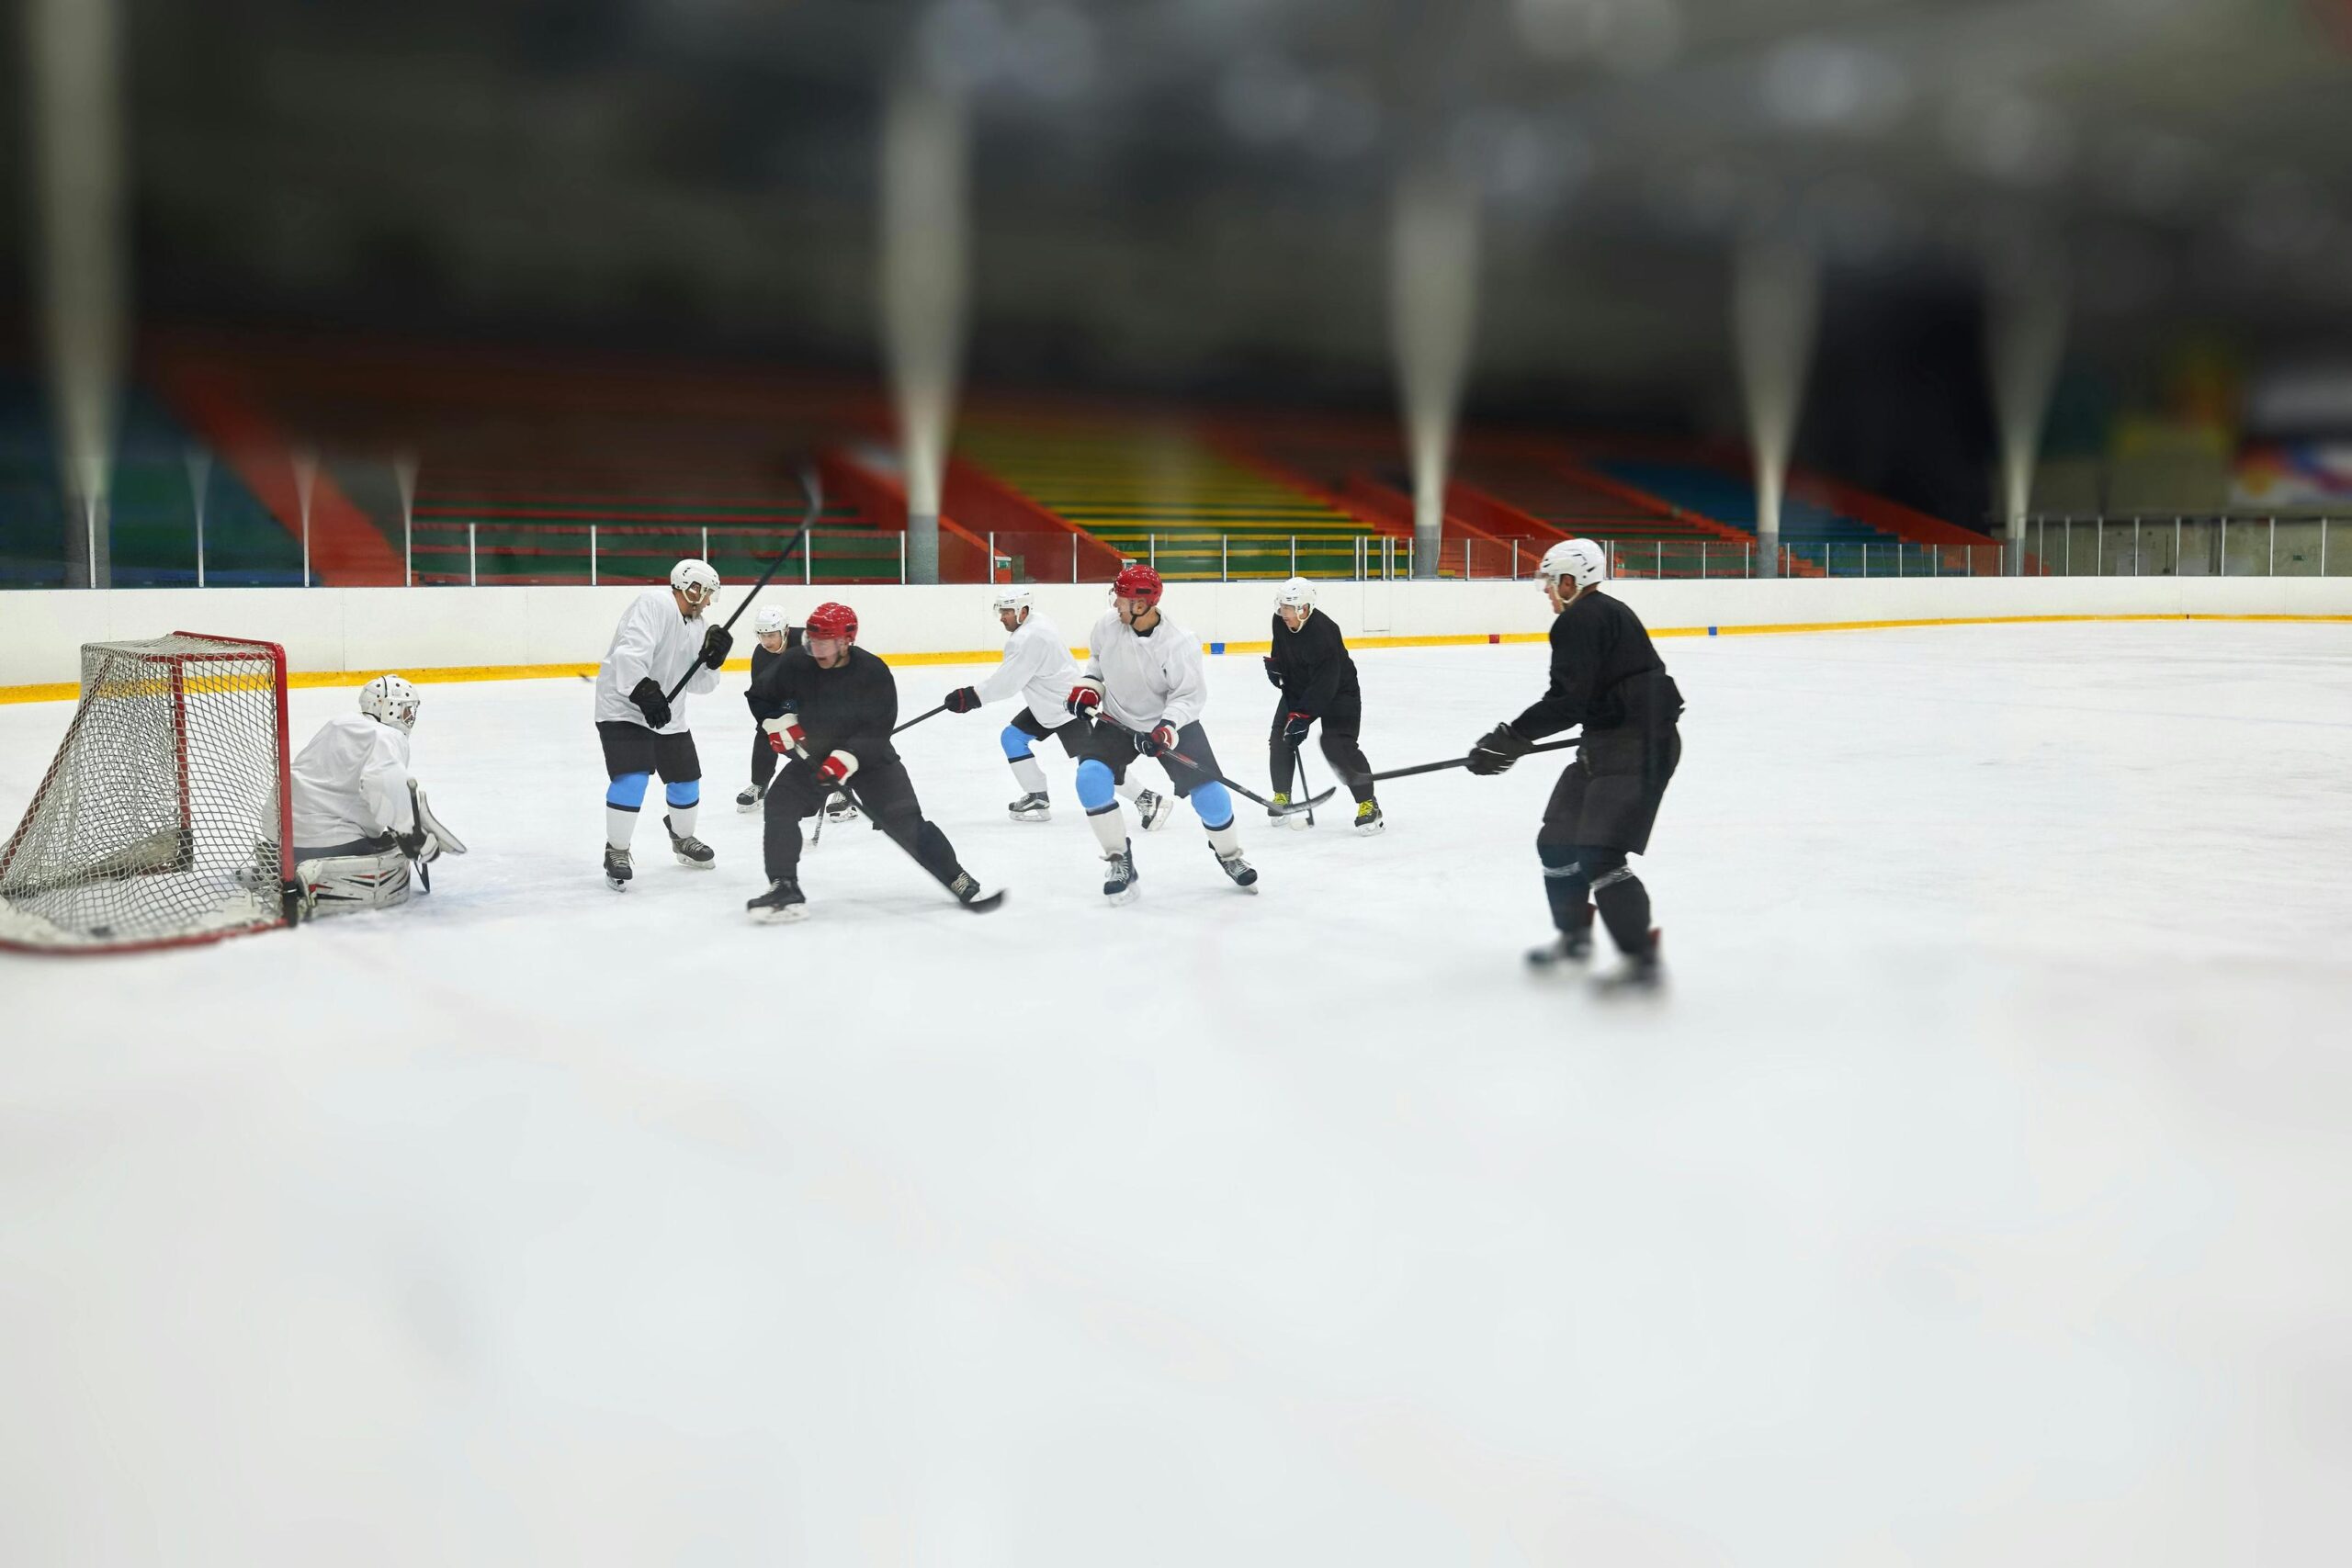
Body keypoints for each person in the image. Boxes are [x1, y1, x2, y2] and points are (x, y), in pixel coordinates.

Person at [1464, 538, 1682, 990]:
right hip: (1611, 742)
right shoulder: (1605, 611)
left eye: (1549, 582)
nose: (1545, 591)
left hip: (1637, 747)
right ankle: (1575, 939)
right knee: (1557, 841)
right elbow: (1592, 701)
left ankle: (1641, 962)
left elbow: (1568, 702)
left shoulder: (1580, 619)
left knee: (1600, 853)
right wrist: (1515, 739)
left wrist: (1509, 738)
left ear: (1570, 581)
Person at [744, 600, 994, 921]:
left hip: (869, 757)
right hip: (815, 754)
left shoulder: (872, 671)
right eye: (812, 640)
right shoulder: (795, 662)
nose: (816, 649)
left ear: (846, 641)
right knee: (780, 804)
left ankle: (956, 877)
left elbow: (879, 727)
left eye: (825, 642)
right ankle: (784, 885)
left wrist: (848, 758)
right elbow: (760, 695)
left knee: (904, 822)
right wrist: (776, 720)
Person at [1066, 563, 1256, 902]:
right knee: (1090, 778)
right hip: (1117, 719)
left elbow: (1188, 696)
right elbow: (1096, 663)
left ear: (1141, 605)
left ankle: (1230, 856)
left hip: (1171, 724)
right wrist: (1089, 688)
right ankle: (1118, 860)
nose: (1115, 605)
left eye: (1122, 600)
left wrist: (1165, 729)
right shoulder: (1106, 626)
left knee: (1211, 796)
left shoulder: (1178, 642)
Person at [942, 584, 1170, 828]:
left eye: (1007, 611)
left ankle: (1147, 798)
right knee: (1012, 737)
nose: (1002, 617)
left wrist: (972, 697)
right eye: (1001, 611)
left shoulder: (1028, 638)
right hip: (1046, 706)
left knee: (1096, 764)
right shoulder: (1036, 622)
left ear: (1023, 611)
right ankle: (1037, 796)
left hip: (1069, 710)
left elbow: (1007, 683)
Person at [593, 558, 729, 889]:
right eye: (707, 592)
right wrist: (641, 690)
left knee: (686, 780)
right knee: (634, 777)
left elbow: (700, 686)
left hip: (668, 716)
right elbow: (629, 654)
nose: (709, 600)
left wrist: (711, 663)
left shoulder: (698, 626)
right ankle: (617, 850)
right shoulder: (654, 604)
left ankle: (683, 839)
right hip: (623, 708)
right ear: (691, 588)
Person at [288, 674, 467, 915]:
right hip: (327, 842)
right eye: (406, 710)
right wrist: (411, 837)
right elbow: (383, 781)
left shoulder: (338, 723)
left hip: (284, 836)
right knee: (392, 852)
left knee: (376, 835)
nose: (409, 718)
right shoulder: (387, 736)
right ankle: (321, 873)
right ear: (388, 707)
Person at [1263, 575, 1383, 835]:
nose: (1284, 613)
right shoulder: (1279, 621)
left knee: (1339, 745)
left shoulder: (1324, 631)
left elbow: (1325, 683)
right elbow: (1280, 648)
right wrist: (1276, 667)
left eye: (1290, 608)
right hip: (1298, 686)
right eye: (1282, 606)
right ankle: (1282, 795)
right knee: (1280, 737)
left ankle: (1368, 803)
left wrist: (1302, 716)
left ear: (1305, 608)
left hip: (1340, 692)